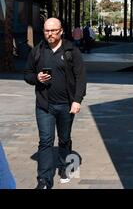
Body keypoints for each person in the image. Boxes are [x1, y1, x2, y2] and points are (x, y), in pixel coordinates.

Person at [24, 18, 86, 189]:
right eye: (46, 31)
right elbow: (27, 74)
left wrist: (77, 100)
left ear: (61, 31)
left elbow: (81, 77)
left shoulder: (71, 51)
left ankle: (65, 168)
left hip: (67, 105)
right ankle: (44, 180)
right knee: (45, 141)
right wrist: (36, 78)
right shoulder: (38, 51)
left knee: (64, 139)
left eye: (53, 30)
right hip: (44, 106)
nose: (49, 34)